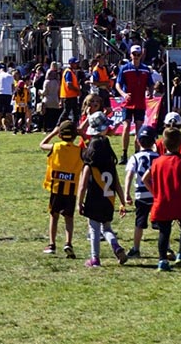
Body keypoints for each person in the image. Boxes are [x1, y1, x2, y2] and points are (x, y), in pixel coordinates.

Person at [76, 110, 127, 267]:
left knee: (93, 228)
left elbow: (83, 185)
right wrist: (122, 200)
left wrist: (79, 202)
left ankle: (95, 258)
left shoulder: (90, 164)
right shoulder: (110, 160)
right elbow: (117, 182)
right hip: (109, 198)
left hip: (94, 198)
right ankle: (116, 247)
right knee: (107, 227)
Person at [144, 125, 181, 271]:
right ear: (180, 144)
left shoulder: (156, 162)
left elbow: (145, 178)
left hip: (162, 201)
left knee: (164, 232)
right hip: (180, 200)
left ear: (163, 144)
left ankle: (162, 260)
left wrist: (155, 192)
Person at [39, 118, 81, 257]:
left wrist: (53, 132)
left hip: (56, 188)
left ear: (59, 135)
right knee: (69, 217)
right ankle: (68, 243)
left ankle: (52, 244)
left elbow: (42, 144)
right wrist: (83, 135)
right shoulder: (79, 150)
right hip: (71, 189)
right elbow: (89, 146)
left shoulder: (55, 147)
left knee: (54, 215)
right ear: (75, 135)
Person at [124, 123, 159, 259]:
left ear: (138, 141)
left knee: (139, 223)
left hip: (141, 194)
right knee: (162, 223)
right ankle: (166, 248)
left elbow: (129, 175)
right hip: (156, 194)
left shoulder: (135, 157)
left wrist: (126, 193)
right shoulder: (158, 156)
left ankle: (136, 248)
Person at [115, 45, 154, 164]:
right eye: (134, 54)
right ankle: (124, 153)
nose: (136, 57)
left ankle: (137, 153)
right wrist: (123, 94)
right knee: (126, 127)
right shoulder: (125, 68)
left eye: (138, 54)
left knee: (139, 129)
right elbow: (118, 84)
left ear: (141, 55)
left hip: (140, 103)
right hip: (128, 102)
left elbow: (150, 83)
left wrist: (150, 92)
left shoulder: (145, 69)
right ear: (130, 55)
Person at [59, 57, 82, 124]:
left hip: (72, 95)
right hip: (68, 96)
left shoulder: (71, 72)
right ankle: (58, 125)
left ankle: (75, 126)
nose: (76, 65)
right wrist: (77, 90)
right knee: (66, 112)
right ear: (71, 64)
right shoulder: (68, 72)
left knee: (75, 112)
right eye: (75, 63)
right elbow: (69, 85)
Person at [0, 62, 14, 131]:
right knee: (8, 111)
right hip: (8, 94)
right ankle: (7, 126)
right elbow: (12, 86)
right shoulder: (10, 76)